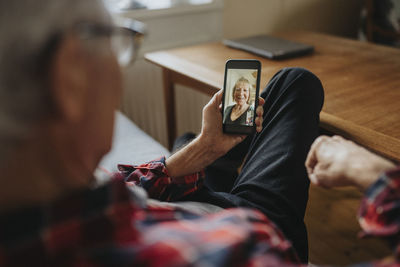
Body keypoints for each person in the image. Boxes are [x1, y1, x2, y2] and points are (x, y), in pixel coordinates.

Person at [1, 1, 399, 267]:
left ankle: (206, 154)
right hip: (239, 217)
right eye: (116, 41)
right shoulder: (238, 252)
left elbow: (123, 187)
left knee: (192, 136)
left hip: (181, 203)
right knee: (297, 81)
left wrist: (202, 150)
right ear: (67, 78)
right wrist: (373, 174)